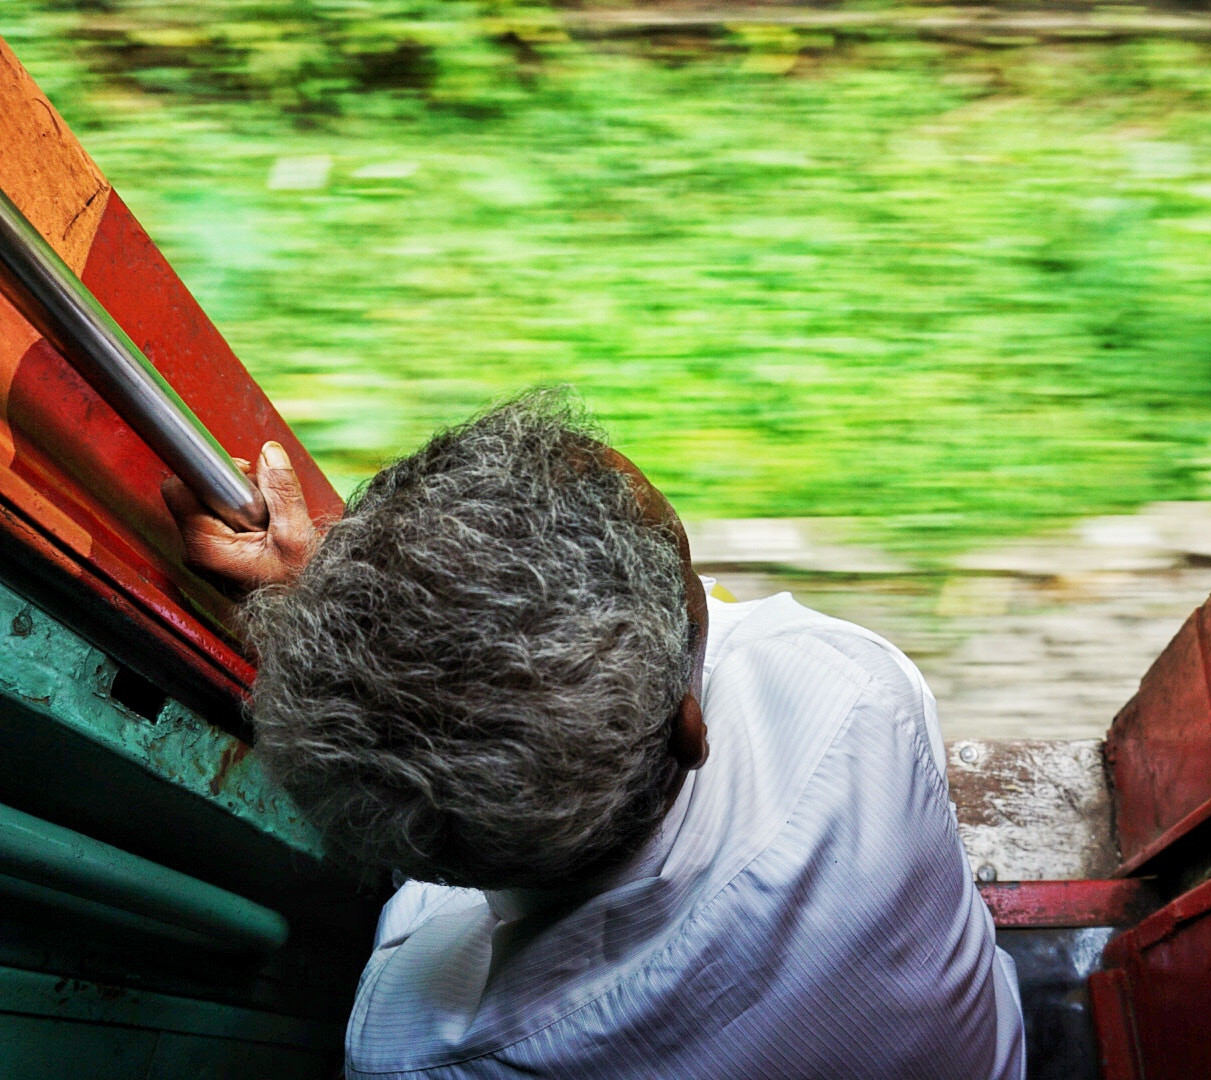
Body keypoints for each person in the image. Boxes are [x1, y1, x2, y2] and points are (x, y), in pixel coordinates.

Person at [166, 388, 1024, 1079]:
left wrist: (341, 636)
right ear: (689, 727)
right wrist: (364, 620)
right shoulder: (854, 694)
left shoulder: (422, 1047)